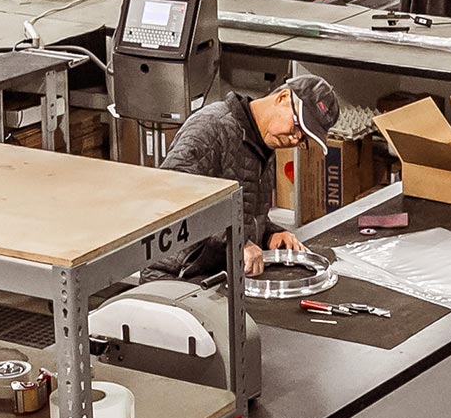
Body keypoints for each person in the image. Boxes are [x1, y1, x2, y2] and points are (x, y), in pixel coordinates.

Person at [140, 75, 340, 282]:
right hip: (173, 279)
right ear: (282, 97)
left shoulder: (262, 143)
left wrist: (269, 234)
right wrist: (237, 242)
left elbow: (241, 212)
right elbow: (170, 197)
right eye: (297, 126)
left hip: (216, 276)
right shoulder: (211, 128)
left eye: (305, 139)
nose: (296, 138)